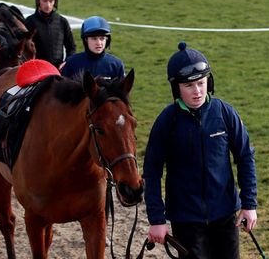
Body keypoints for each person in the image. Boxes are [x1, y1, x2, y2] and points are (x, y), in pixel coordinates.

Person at [143, 42, 258, 259]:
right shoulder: (166, 121)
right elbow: (151, 171)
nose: (197, 91)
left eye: (201, 83)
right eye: (189, 86)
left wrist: (249, 203)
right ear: (176, 88)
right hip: (186, 221)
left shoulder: (225, 113)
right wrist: (156, 219)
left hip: (225, 216)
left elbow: (245, 156)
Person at [25, 0, 76, 70]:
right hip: (36, 69)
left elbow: (71, 47)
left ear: (55, 2)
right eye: (44, 0)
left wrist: (66, 62)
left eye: (51, 1)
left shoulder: (62, 22)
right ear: (38, 1)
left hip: (57, 70)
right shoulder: (29, 22)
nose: (48, 5)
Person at [61, 16, 125, 80]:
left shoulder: (116, 65)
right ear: (85, 39)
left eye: (102, 38)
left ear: (107, 40)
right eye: (94, 38)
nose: (99, 43)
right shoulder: (72, 62)